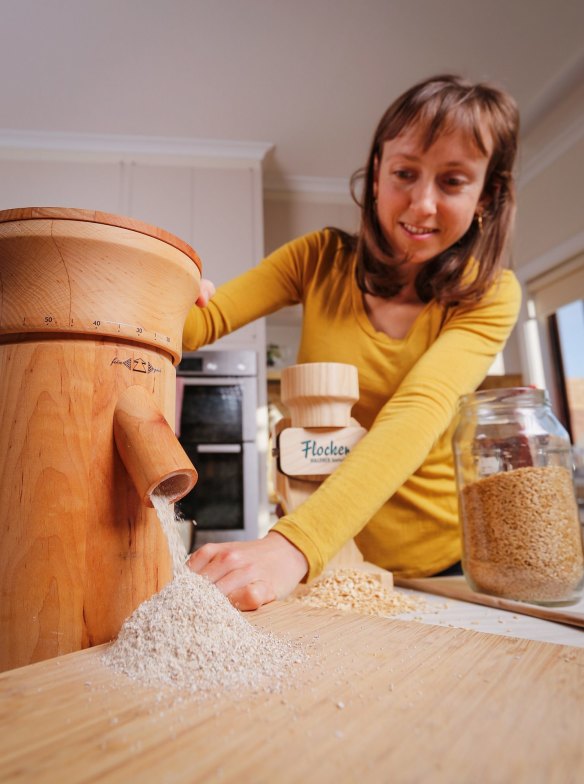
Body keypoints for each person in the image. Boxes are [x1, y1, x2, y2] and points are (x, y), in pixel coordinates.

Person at [183, 73, 522, 611]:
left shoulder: (489, 295)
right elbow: (199, 324)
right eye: (404, 173)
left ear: (487, 195)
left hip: (437, 567)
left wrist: (292, 545)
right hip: (329, 561)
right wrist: (171, 289)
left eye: (453, 181)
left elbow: (418, 410)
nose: (422, 204)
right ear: (377, 173)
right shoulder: (317, 259)